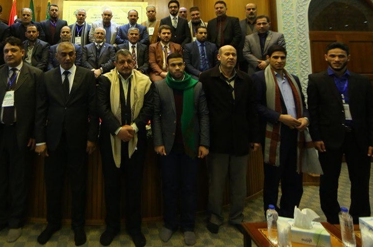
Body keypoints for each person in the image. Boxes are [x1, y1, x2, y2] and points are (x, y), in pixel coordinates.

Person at [0, 37, 46, 242]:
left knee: (19, 181)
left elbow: (40, 109)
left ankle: (16, 222)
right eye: (6, 51)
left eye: (13, 50)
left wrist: (36, 135)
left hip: (22, 136)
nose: (9, 54)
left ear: (22, 52)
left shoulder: (36, 74)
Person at [307, 42, 373, 223]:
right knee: (329, 181)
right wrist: (316, 137)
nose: (337, 59)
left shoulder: (362, 81)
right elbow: (313, 111)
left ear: (348, 58)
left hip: (358, 138)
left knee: (360, 181)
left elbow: (372, 112)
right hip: (329, 138)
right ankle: (333, 218)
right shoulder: (316, 80)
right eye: (333, 56)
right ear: (326, 57)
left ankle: (359, 219)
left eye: (341, 56)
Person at [34, 42, 98, 246]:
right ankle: (52, 223)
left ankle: (78, 225)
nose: (68, 58)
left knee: (78, 185)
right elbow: (40, 110)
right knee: (53, 185)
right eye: (63, 54)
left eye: (71, 54)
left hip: (79, 140)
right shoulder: (46, 77)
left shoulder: (87, 76)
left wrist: (92, 138)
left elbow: (93, 109)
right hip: (53, 141)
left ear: (76, 55)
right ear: (56, 56)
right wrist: (40, 139)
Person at [96, 50, 156, 247]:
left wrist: (134, 127)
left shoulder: (145, 81)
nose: (126, 65)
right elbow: (101, 107)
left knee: (134, 186)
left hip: (136, 140)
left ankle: (134, 228)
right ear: (115, 63)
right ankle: (112, 227)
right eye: (121, 62)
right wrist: (117, 130)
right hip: (110, 140)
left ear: (134, 62)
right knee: (111, 186)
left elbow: (149, 107)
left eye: (129, 61)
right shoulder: (105, 80)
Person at [199, 45, 259, 234]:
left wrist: (254, 137)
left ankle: (236, 217)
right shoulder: (207, 78)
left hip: (241, 139)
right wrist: (204, 140)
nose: (231, 57)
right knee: (216, 183)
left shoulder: (246, 79)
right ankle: (215, 216)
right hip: (217, 140)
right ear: (219, 57)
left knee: (239, 183)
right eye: (227, 54)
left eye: (234, 54)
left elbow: (252, 110)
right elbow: (202, 111)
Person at [153, 53, 209, 246]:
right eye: (173, 65)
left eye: (180, 64)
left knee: (189, 187)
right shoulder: (160, 86)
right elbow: (156, 115)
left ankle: (188, 226)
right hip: (168, 147)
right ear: (167, 67)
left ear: (184, 65)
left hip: (190, 145)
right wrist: (158, 142)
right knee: (169, 186)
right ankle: (170, 224)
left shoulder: (196, 86)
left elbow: (204, 115)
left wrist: (204, 143)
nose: (177, 68)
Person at [252, 45, 313, 217]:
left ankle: (289, 214)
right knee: (273, 179)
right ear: (268, 58)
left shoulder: (294, 79)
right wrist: (279, 117)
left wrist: (305, 118)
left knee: (294, 179)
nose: (279, 61)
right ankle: (271, 216)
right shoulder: (259, 78)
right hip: (274, 134)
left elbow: (304, 105)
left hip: (296, 134)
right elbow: (255, 106)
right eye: (275, 57)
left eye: (282, 58)